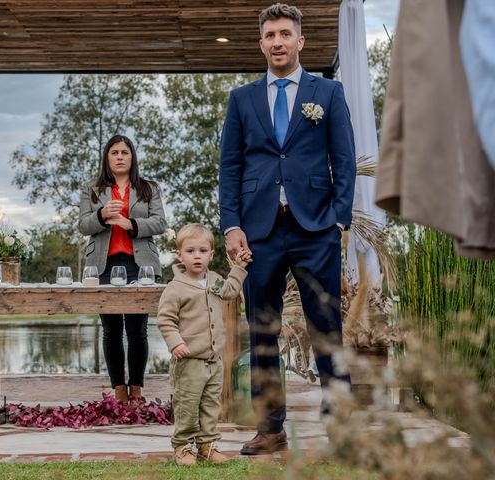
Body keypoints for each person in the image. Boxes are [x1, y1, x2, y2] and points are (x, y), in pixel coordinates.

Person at [219, 3, 356, 455]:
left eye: (285, 34)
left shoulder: (329, 93)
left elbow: (346, 160)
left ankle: (340, 423)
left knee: (326, 327)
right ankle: (270, 427)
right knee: (262, 330)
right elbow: (231, 168)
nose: (277, 42)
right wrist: (232, 225)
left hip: (315, 227)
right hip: (258, 231)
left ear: (300, 42)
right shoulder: (241, 99)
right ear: (261, 44)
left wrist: (338, 217)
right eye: (270, 35)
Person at [79, 134, 167, 403]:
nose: (119, 157)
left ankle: (136, 389)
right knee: (111, 330)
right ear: (107, 157)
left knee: (138, 330)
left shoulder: (149, 188)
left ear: (132, 157)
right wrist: (102, 216)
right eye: (114, 152)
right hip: (102, 266)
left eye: (124, 152)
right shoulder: (92, 188)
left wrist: (133, 225)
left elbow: (161, 223)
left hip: (140, 267)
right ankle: (119, 389)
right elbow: (83, 226)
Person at [157, 223, 250, 465]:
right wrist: (175, 343)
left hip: (213, 360)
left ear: (211, 254)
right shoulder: (175, 288)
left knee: (210, 405)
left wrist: (239, 268)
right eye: (190, 251)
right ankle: (182, 446)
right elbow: (165, 320)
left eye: (202, 250)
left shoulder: (215, 280)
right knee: (188, 405)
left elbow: (230, 291)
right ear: (180, 255)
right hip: (188, 361)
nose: (196, 256)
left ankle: (207, 445)